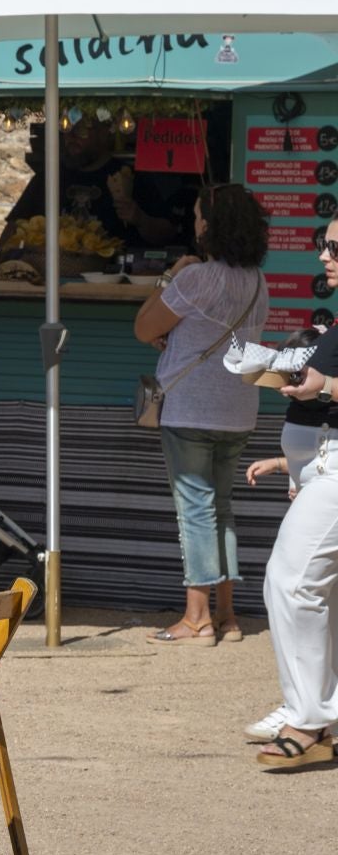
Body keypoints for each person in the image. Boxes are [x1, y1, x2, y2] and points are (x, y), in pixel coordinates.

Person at [134, 183, 269, 646]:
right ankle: (227, 616)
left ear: (210, 225)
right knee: (222, 509)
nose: (194, 224)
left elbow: (143, 327)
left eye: (197, 216)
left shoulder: (195, 278)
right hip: (239, 409)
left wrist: (169, 275)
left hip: (191, 408)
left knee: (195, 510)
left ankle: (196, 618)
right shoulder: (258, 280)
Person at [248, 225, 338, 769]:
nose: (324, 255)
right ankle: (321, 715)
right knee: (321, 592)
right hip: (319, 464)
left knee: (291, 580)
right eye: (323, 245)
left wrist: (322, 386)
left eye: (336, 247)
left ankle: (308, 717)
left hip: (333, 468)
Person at [0, 118, 183, 255]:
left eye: (81, 130)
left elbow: (167, 233)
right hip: (53, 279)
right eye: (66, 128)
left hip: (111, 283)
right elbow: (13, 227)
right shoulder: (49, 177)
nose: (71, 137)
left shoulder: (130, 178)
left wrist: (140, 218)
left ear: (104, 132)